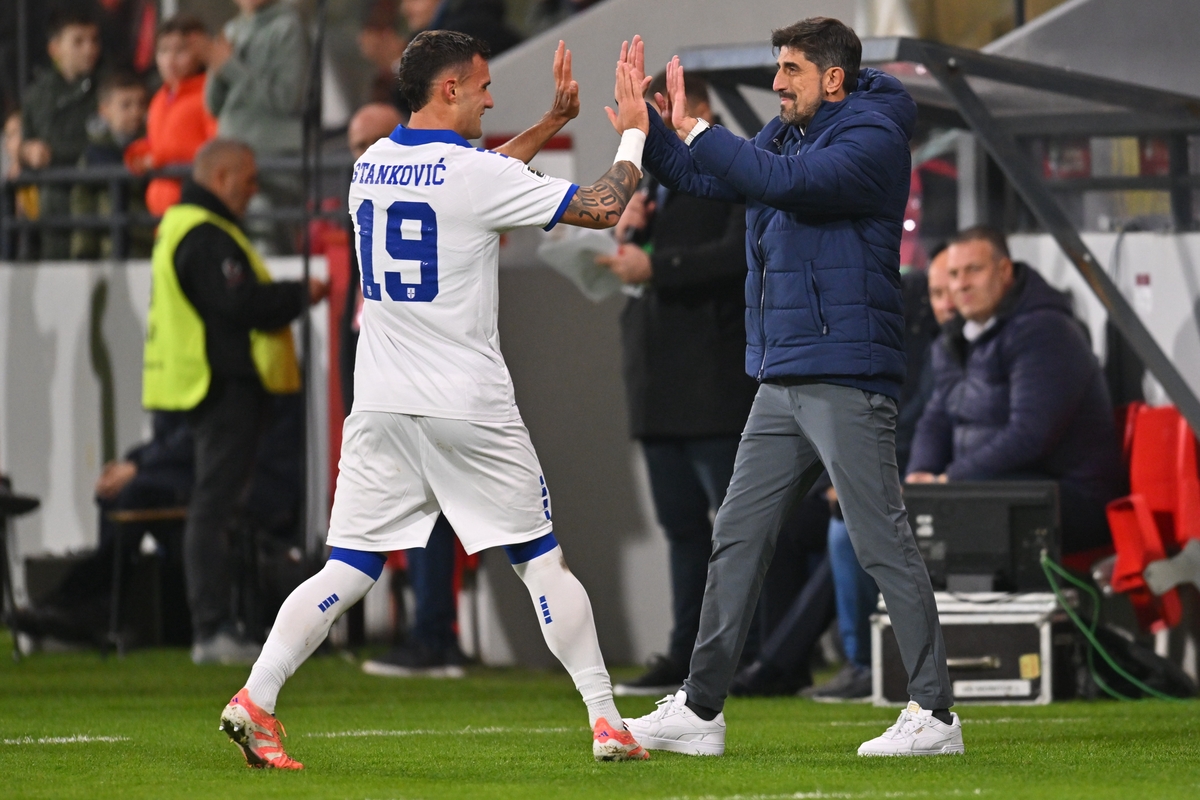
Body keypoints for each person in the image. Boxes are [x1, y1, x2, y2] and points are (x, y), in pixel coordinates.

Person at [216, 30, 652, 769]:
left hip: (382, 401)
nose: (491, 95)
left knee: (347, 569)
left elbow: (469, 183)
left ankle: (256, 699)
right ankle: (607, 721)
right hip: (466, 403)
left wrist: (548, 125)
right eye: (482, 85)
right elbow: (603, 206)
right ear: (448, 90)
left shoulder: (368, 167)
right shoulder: (470, 177)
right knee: (542, 563)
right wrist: (635, 131)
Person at [621, 20, 962, 758]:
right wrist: (649, 132)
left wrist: (699, 126)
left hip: (846, 371)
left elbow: (786, 187)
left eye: (790, 70)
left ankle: (935, 715)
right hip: (782, 377)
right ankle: (702, 709)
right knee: (737, 538)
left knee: (881, 543)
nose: (778, 84)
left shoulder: (872, 138)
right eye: (778, 69)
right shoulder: (789, 133)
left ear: (832, 78)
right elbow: (713, 179)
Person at [142, 138, 329, 665]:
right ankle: (212, 629)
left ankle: (218, 625)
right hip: (221, 386)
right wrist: (298, 295)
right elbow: (241, 303)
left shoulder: (181, 226)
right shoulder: (206, 234)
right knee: (213, 507)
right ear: (221, 177)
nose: (253, 190)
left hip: (200, 384)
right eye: (247, 180)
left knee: (214, 506)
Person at [599, 72, 756, 697]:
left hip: (713, 384)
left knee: (739, 527)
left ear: (705, 110)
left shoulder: (733, 171)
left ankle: (750, 652)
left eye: (667, 105)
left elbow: (739, 255)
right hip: (656, 382)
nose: (658, 115)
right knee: (683, 531)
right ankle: (686, 652)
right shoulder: (652, 183)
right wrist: (627, 235)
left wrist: (658, 266)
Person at [338, 102, 467, 678]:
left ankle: (433, 635)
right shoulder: (369, 197)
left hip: (428, 382)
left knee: (426, 516)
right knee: (413, 515)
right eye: (354, 145)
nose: (362, 155)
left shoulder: (431, 188)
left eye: (370, 140)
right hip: (395, 379)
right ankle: (431, 634)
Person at [906, 225, 1125, 557]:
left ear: (1004, 270)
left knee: (952, 516)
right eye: (953, 274)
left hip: (1068, 496)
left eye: (973, 270)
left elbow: (1030, 434)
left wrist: (951, 480)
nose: (961, 284)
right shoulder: (954, 338)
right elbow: (935, 419)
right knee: (877, 521)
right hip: (988, 487)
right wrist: (919, 476)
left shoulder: (1045, 332)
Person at [806, 246, 952, 703]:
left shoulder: (1026, 337)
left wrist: (941, 475)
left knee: (853, 531)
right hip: (930, 475)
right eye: (941, 288)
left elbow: (1022, 432)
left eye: (965, 278)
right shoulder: (947, 343)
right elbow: (929, 425)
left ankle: (896, 678)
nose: (954, 295)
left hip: (975, 483)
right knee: (819, 526)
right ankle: (840, 661)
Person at [205, 0, 307, 253]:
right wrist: (215, 69)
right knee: (227, 244)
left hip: (272, 165)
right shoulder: (231, 30)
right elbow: (213, 105)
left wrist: (230, 67)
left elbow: (287, 99)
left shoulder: (288, 28)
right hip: (229, 161)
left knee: (267, 241)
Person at [19, 8, 102, 259]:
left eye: (94, 40)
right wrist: (26, 152)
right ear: (55, 48)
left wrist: (52, 153)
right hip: (50, 207)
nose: (89, 49)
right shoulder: (36, 95)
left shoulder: (110, 89)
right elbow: (25, 141)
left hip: (97, 203)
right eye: (78, 41)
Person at [126, 14, 218, 217]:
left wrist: (159, 158)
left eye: (181, 50)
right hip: (162, 213)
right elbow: (157, 143)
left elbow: (216, 151)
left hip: (197, 208)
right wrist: (138, 154)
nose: (170, 60)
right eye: (164, 51)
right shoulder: (159, 99)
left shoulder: (210, 94)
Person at [70, 71, 151, 259]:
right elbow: (83, 205)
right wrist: (84, 253)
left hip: (149, 248)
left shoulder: (155, 147)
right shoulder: (93, 155)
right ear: (104, 110)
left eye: (141, 104)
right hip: (108, 252)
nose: (136, 112)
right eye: (126, 105)